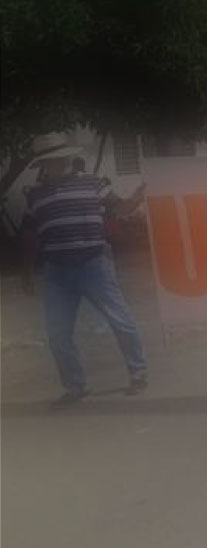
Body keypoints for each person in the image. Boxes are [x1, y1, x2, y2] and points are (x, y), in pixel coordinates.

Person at [20, 133, 149, 406]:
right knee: (57, 332)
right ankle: (76, 386)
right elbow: (30, 235)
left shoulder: (95, 184)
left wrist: (138, 197)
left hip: (95, 265)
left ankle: (138, 374)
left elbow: (122, 209)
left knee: (120, 320)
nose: (56, 164)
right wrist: (27, 271)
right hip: (56, 271)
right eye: (50, 161)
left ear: (68, 157)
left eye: (59, 158)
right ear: (44, 164)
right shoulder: (35, 195)